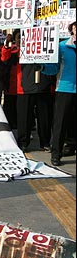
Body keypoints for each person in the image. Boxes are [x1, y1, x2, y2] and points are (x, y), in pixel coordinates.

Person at [41, 21, 76, 166]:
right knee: (60, 123)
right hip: (65, 89)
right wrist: (42, 65)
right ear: (72, 30)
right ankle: (56, 153)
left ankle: (71, 145)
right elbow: (53, 68)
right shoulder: (61, 47)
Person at [0, 29, 21, 130]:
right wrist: (7, 44)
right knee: (9, 109)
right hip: (10, 85)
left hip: (23, 87)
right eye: (18, 37)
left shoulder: (31, 51)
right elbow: (3, 57)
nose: (20, 40)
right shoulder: (11, 49)